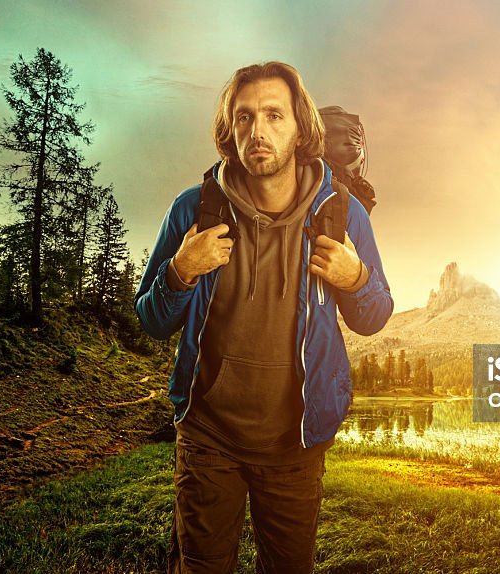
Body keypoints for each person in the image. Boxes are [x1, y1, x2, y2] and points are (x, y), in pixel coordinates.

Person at [135, 61, 393, 574]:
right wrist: (180, 272)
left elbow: (374, 316)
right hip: (208, 436)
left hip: (296, 442)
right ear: (229, 130)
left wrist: (355, 278)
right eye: (245, 117)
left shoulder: (341, 214)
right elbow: (151, 320)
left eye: (275, 115)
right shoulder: (193, 211)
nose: (259, 131)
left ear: (301, 129)